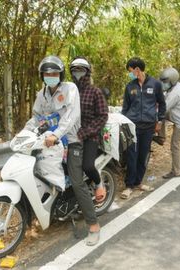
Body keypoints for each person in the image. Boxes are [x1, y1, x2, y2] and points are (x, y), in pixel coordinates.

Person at [24, 55, 100, 246]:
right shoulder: (41, 94)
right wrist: (23, 132)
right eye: (47, 73)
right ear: (42, 76)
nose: (51, 76)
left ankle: (93, 226)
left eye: (54, 73)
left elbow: (71, 116)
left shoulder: (70, 89)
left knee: (76, 181)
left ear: (61, 74)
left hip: (72, 141)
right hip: (48, 143)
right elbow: (36, 117)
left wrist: (57, 134)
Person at [120, 57, 166, 199]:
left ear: (137, 69)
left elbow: (162, 104)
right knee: (131, 155)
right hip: (132, 126)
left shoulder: (156, 84)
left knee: (143, 155)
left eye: (130, 71)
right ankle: (129, 186)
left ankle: (138, 182)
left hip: (148, 126)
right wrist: (123, 122)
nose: (130, 74)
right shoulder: (130, 86)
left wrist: (159, 121)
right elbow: (125, 107)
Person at [69, 56, 108, 204]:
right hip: (70, 135)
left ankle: (99, 184)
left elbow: (103, 116)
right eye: (75, 70)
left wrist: (84, 132)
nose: (78, 73)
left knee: (87, 166)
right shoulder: (68, 91)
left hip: (90, 136)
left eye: (81, 70)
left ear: (87, 72)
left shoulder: (95, 92)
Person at [156, 67, 180, 179]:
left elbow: (164, 109)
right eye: (162, 81)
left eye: (165, 82)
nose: (163, 84)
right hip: (178, 114)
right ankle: (161, 137)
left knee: (174, 146)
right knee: (161, 116)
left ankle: (176, 171)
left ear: (172, 81)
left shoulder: (176, 93)